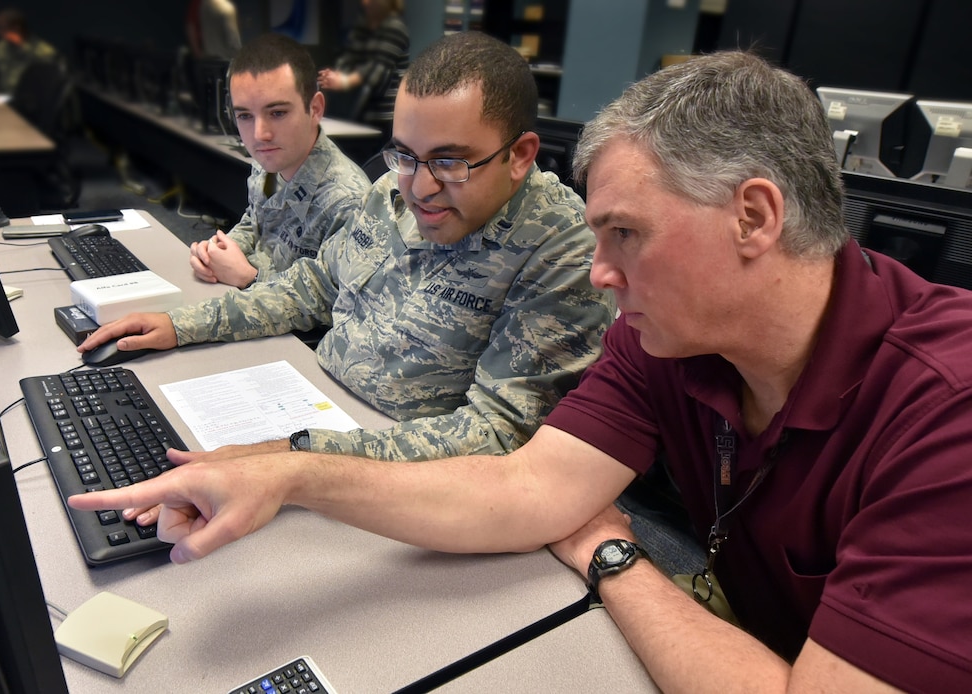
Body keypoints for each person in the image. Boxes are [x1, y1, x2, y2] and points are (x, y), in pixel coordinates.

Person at [72, 50, 972, 691]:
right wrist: (287, 476)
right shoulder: (667, 335)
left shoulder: (949, 409)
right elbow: (522, 489)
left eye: (625, 233)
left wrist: (608, 553)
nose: (600, 270)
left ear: (755, 217)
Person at [79, 31, 612, 464]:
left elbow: (498, 433)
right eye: (405, 154)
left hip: (393, 464)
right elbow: (314, 285)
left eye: (450, 162)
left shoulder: (563, 254)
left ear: (519, 155)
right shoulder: (391, 190)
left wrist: (300, 456)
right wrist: (183, 324)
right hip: (310, 399)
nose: (419, 187)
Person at [186, 33, 370, 289]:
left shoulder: (346, 202)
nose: (260, 135)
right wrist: (220, 251)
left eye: (278, 113)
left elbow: (338, 304)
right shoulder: (268, 162)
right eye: (245, 116)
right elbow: (255, 221)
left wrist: (250, 278)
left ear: (315, 109)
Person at [317, 0, 409, 131]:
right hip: (360, 114)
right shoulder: (363, 26)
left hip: (384, 116)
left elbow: (377, 70)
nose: (365, 3)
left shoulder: (395, 27)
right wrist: (335, 75)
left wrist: (345, 82)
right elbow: (349, 57)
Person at [0, 7, 59, 95]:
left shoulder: (44, 52)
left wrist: (20, 46)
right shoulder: (1, 47)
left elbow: (50, 86)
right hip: (3, 97)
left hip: (29, 102)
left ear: (16, 28)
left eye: (2, 28)